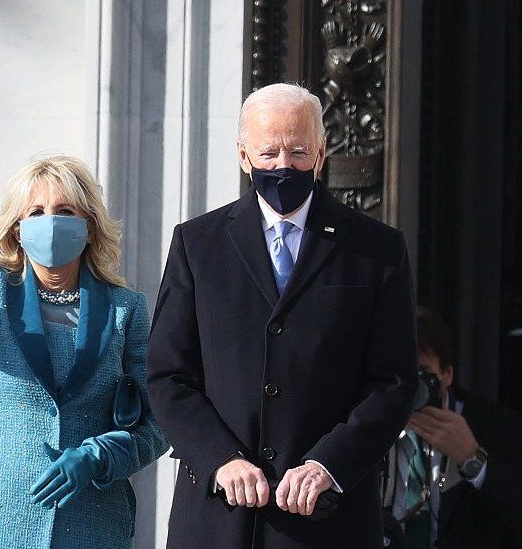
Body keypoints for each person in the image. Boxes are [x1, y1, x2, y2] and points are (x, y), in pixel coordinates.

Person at [146, 83, 418, 549]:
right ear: (242, 154)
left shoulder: (376, 249)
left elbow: (393, 382)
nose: (282, 165)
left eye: (297, 150)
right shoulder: (197, 244)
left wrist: (329, 465)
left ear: (321, 151)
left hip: (326, 520)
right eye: (268, 151)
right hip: (218, 519)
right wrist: (221, 458)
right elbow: (168, 374)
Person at [0, 141, 168, 548]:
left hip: (92, 523)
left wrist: (100, 456)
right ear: (17, 230)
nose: (50, 222)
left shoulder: (126, 309)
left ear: (89, 225)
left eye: (65, 211)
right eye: (36, 213)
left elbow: (159, 422)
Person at [380, 307, 522, 548]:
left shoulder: (494, 425)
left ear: (447, 374)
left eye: (421, 372)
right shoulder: (370, 422)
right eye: (400, 374)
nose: (411, 388)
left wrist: (472, 459)